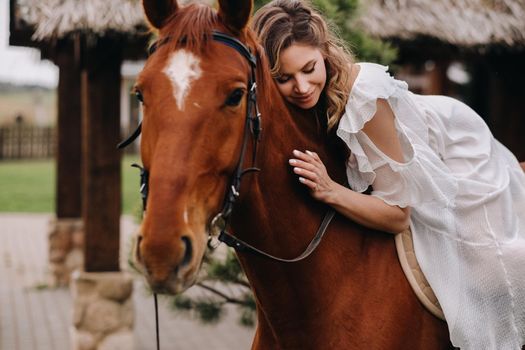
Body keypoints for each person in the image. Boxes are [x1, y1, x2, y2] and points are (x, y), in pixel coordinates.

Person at [252, 1, 525, 349]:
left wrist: (330, 190)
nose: (302, 87)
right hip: (406, 145)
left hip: (454, 147)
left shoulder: (364, 100)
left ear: (324, 52)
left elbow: (398, 216)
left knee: (485, 267)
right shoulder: (292, 100)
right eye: (284, 78)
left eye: (309, 68)